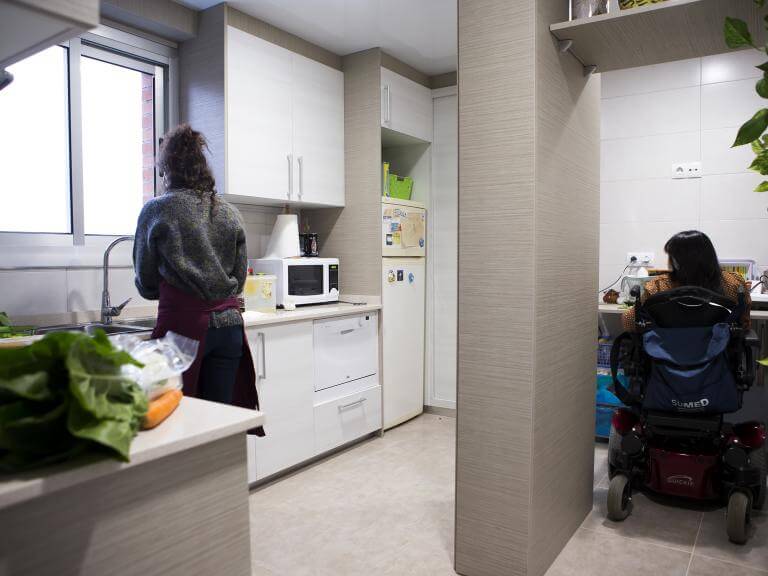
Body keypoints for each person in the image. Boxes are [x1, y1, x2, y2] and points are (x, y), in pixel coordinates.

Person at [133, 124, 259, 415]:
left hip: (182, 330)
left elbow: (145, 280)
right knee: (218, 418)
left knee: (177, 417)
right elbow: (239, 279)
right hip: (229, 328)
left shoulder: (157, 210)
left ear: (168, 170)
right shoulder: (230, 212)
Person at [622, 230, 751, 331]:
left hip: (667, 358)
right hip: (717, 358)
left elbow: (628, 321)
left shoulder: (658, 286)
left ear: (676, 261)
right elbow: (743, 321)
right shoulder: (733, 283)